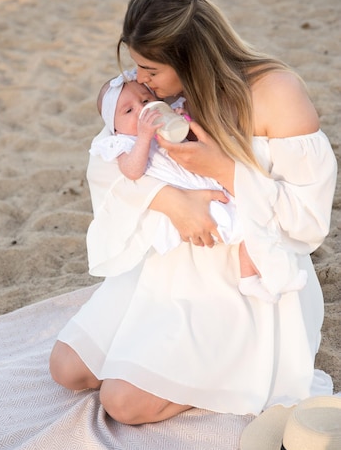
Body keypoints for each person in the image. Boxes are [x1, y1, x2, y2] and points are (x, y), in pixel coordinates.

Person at [50, 0, 337, 426]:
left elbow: (309, 221)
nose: (138, 80)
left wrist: (225, 170)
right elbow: (108, 160)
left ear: (189, 57)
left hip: (245, 277)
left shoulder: (276, 93)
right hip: (171, 264)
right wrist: (171, 201)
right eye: (135, 66)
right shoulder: (159, 98)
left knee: (122, 404)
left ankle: (234, 373)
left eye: (149, 68)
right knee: (67, 371)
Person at [90, 72, 307, 303]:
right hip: (186, 198)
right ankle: (271, 276)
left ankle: (252, 278)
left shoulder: (163, 129)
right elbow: (132, 171)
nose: (142, 111)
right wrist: (143, 137)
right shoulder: (123, 143)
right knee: (249, 225)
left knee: (254, 215)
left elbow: (192, 143)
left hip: (202, 182)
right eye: (128, 111)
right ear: (115, 128)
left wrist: (183, 123)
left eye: (145, 101)